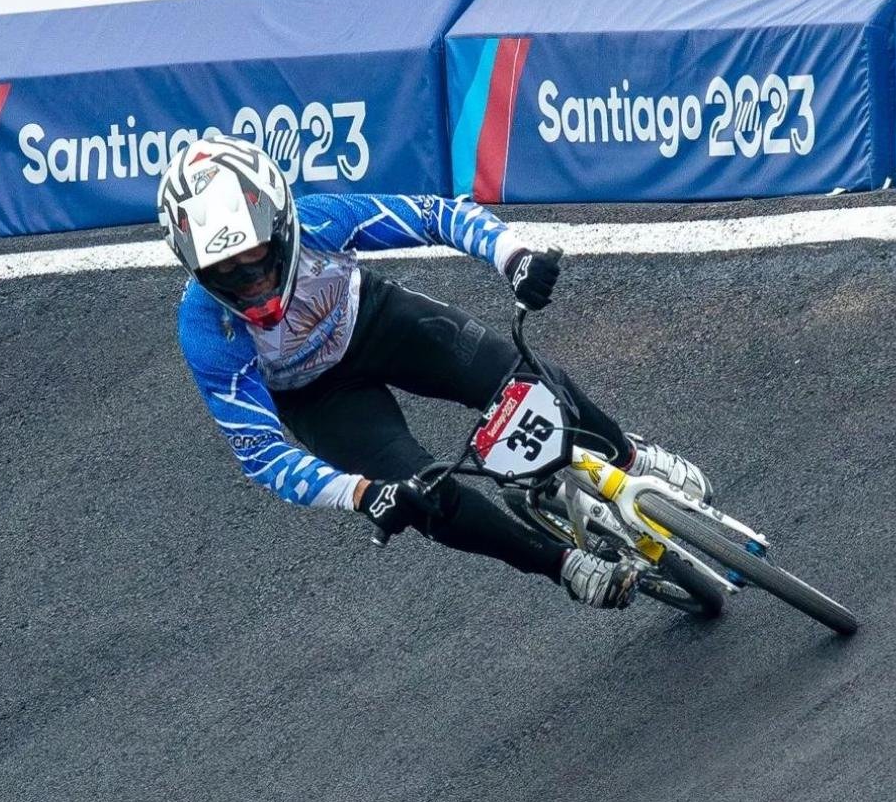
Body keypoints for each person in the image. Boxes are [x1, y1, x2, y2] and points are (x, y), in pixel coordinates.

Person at [158, 136, 710, 610]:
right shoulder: (206, 331)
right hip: (321, 400)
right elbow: (263, 453)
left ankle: (631, 455)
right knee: (423, 498)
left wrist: (512, 257)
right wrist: (361, 493)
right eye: (226, 274)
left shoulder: (322, 220)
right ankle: (564, 566)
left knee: (525, 378)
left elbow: (434, 215)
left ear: (284, 225)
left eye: (260, 259)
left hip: (376, 322)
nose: (251, 282)